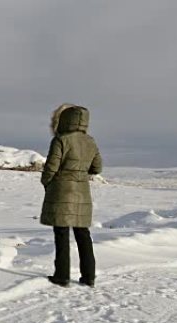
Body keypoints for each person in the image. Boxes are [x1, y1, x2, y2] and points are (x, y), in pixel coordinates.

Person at [41, 103, 102, 288]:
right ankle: (89, 276)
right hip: (82, 193)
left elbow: (51, 167)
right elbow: (97, 167)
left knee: (61, 233)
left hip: (61, 191)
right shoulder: (90, 141)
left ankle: (62, 276)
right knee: (83, 234)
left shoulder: (61, 139)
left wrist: (47, 182)